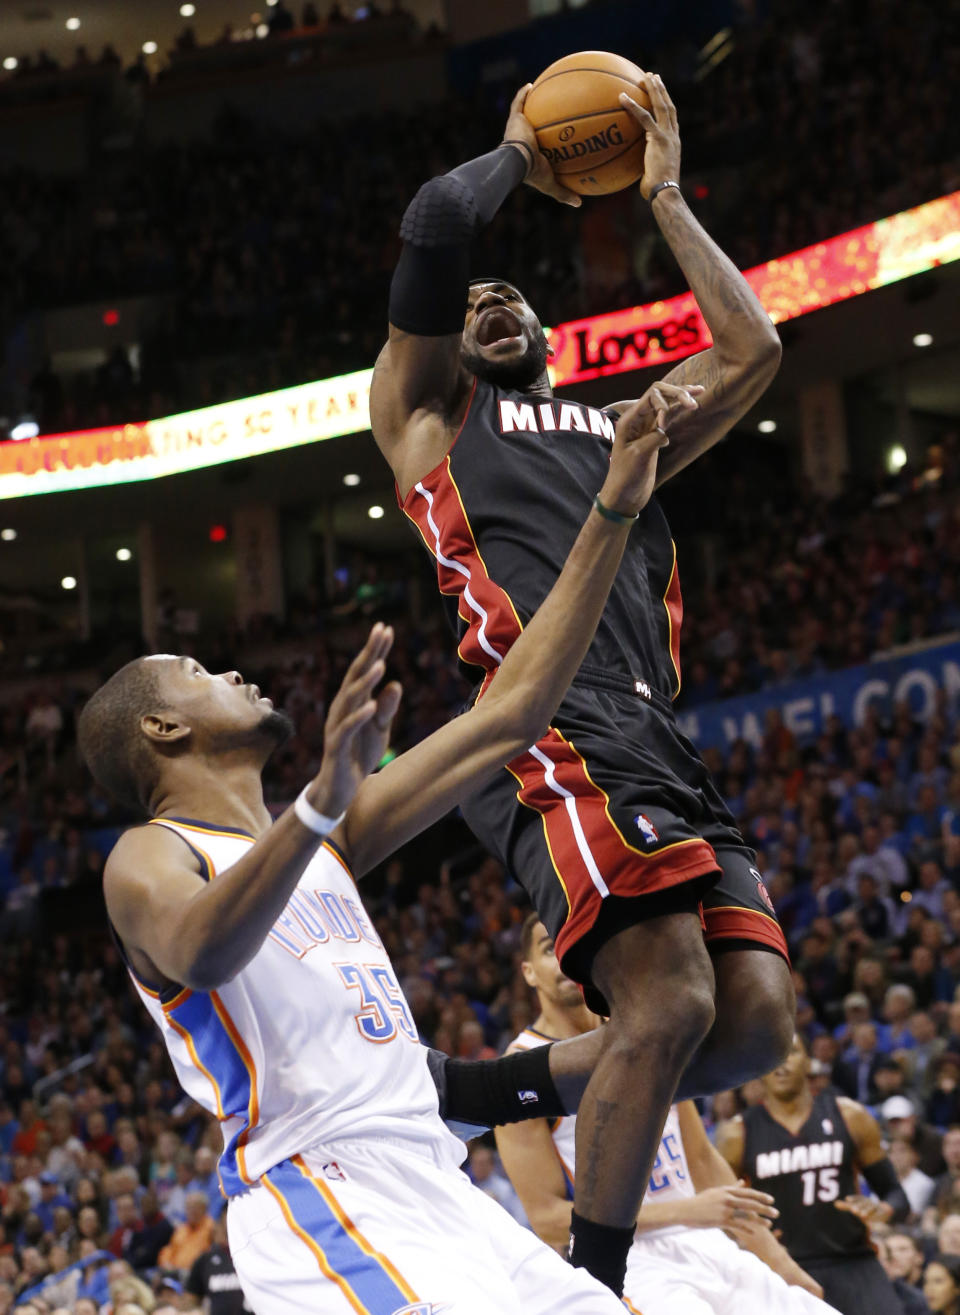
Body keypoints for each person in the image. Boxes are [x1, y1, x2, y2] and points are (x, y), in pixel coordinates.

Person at [77, 409, 679, 1315]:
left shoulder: (329, 839)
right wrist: (320, 799)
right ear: (163, 729)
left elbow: (511, 712)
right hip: (321, 1188)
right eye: (202, 671)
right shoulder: (149, 857)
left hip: (440, 1184)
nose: (236, 674)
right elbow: (201, 950)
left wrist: (611, 510)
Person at [370, 67, 788, 1297]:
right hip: (546, 722)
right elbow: (442, 227)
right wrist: (520, 157)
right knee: (663, 1006)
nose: (494, 301)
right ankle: (596, 1288)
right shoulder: (427, 422)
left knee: (752, 1020)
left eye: (517, 298)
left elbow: (754, 347)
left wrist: (660, 193)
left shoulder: (626, 428)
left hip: (659, 734)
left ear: (552, 340)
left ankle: (483, 1090)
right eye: (477, 305)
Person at [496, 916, 830, 1315]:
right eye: (550, 949)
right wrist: (686, 1210)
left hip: (705, 1240)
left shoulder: (647, 1033)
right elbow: (547, 1220)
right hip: (623, 1259)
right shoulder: (519, 1070)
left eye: (569, 945)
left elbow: (702, 1161)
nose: (565, 960)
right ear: (529, 972)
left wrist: (781, 1265)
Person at [717, 1034, 908, 1315]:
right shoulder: (737, 1133)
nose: (781, 1064)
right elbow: (717, 1208)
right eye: (772, 1056)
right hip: (782, 1266)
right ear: (759, 1069)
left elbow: (898, 1196)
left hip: (853, 1262)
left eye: (791, 1052)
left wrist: (882, 1210)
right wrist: (742, 1234)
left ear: (808, 1062)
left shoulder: (849, 1115)